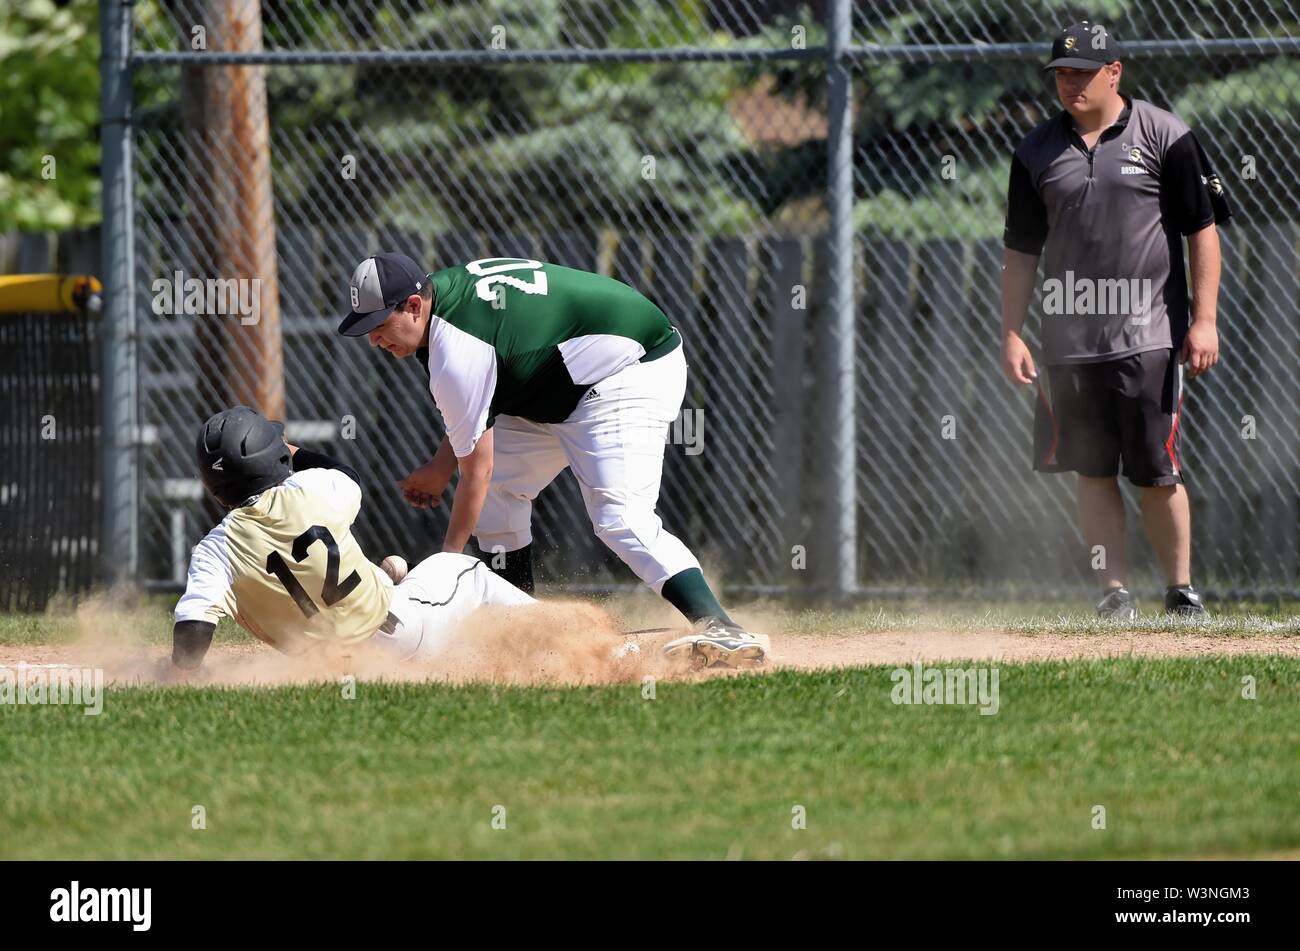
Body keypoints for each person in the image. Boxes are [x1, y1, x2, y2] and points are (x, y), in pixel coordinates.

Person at [336, 252, 769, 668]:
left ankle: (720, 627)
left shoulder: (454, 344)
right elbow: (478, 410)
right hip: (559, 387)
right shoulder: (444, 304)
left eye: (378, 324)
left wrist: (448, 569)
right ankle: (517, 632)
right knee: (496, 500)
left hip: (626, 370)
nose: (374, 339)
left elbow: (477, 469)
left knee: (619, 518)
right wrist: (439, 466)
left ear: (413, 306)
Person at [1000, 21, 1232, 618]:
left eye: (1081, 73)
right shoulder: (1035, 151)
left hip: (1148, 334)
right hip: (1068, 341)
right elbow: (1021, 251)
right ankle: (1115, 594)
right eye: (1060, 75)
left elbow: (1201, 232)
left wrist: (1203, 320)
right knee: (1093, 470)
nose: (1069, 84)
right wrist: (1011, 332)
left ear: (1114, 72)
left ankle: (1181, 592)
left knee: (1156, 471)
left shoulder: (1165, 135)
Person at [167, 406, 535, 675]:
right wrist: (291, 451)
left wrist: (181, 673)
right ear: (276, 457)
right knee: (461, 568)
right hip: (401, 637)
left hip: (332, 669)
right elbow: (344, 473)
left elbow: (193, 624)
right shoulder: (309, 489)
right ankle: (557, 629)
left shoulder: (214, 550)